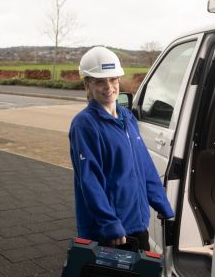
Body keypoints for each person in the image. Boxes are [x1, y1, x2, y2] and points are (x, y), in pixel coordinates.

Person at [69, 46, 174, 250]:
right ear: (87, 86)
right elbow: (90, 181)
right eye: (100, 81)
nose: (108, 87)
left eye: (113, 79)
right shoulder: (85, 124)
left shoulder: (127, 118)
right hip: (109, 231)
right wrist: (109, 223)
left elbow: (144, 166)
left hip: (136, 223)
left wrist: (161, 202)